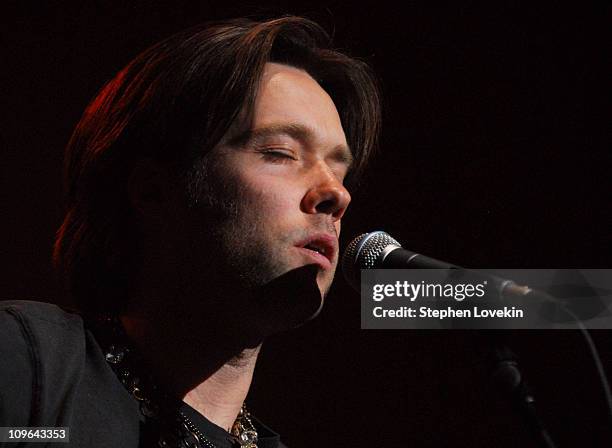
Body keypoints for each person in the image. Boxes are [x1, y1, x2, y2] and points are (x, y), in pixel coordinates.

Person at [0, 16, 381, 448]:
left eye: (339, 168)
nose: (336, 193)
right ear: (153, 190)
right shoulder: (32, 370)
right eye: (280, 153)